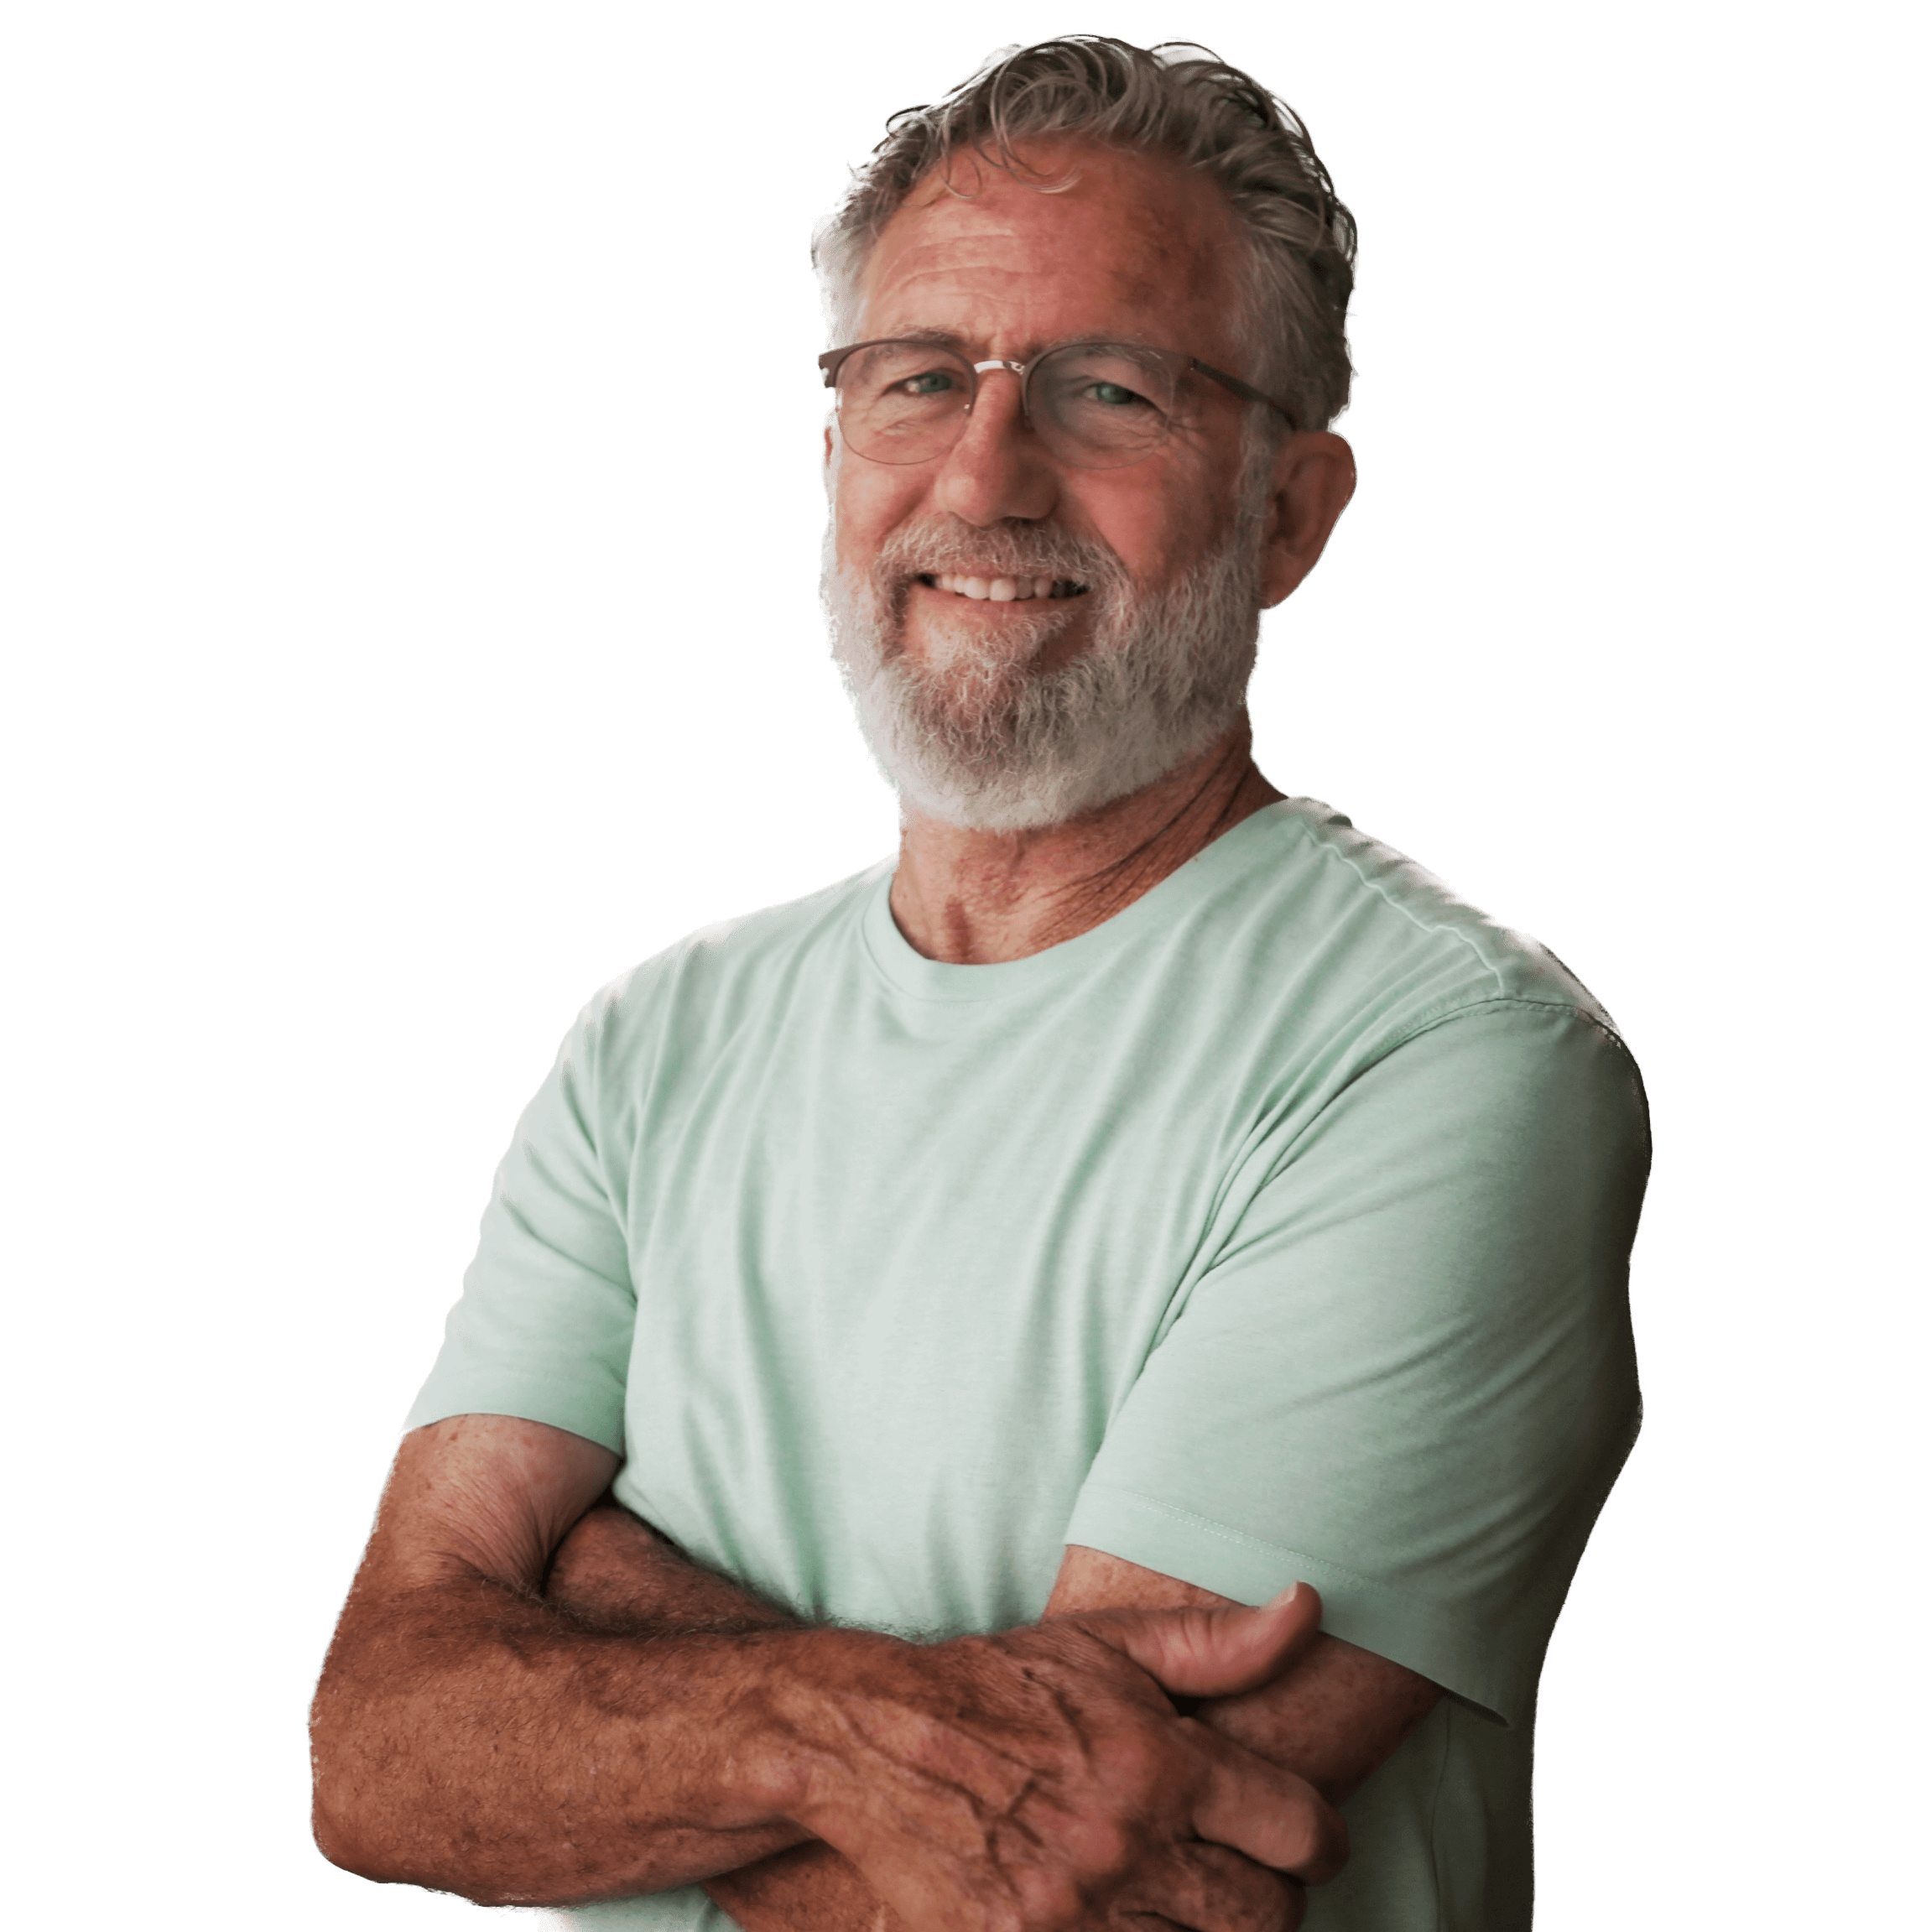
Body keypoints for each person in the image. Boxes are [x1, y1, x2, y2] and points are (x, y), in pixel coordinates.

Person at [309, 34, 1649, 1932]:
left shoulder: (1444, 1057)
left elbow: (1089, 1881)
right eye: (916, 377)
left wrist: (573, 1613)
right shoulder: (653, 1038)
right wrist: (854, 1741)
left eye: (1109, 390)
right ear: (833, 447)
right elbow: (378, 1750)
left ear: (1289, 513)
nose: (984, 471)